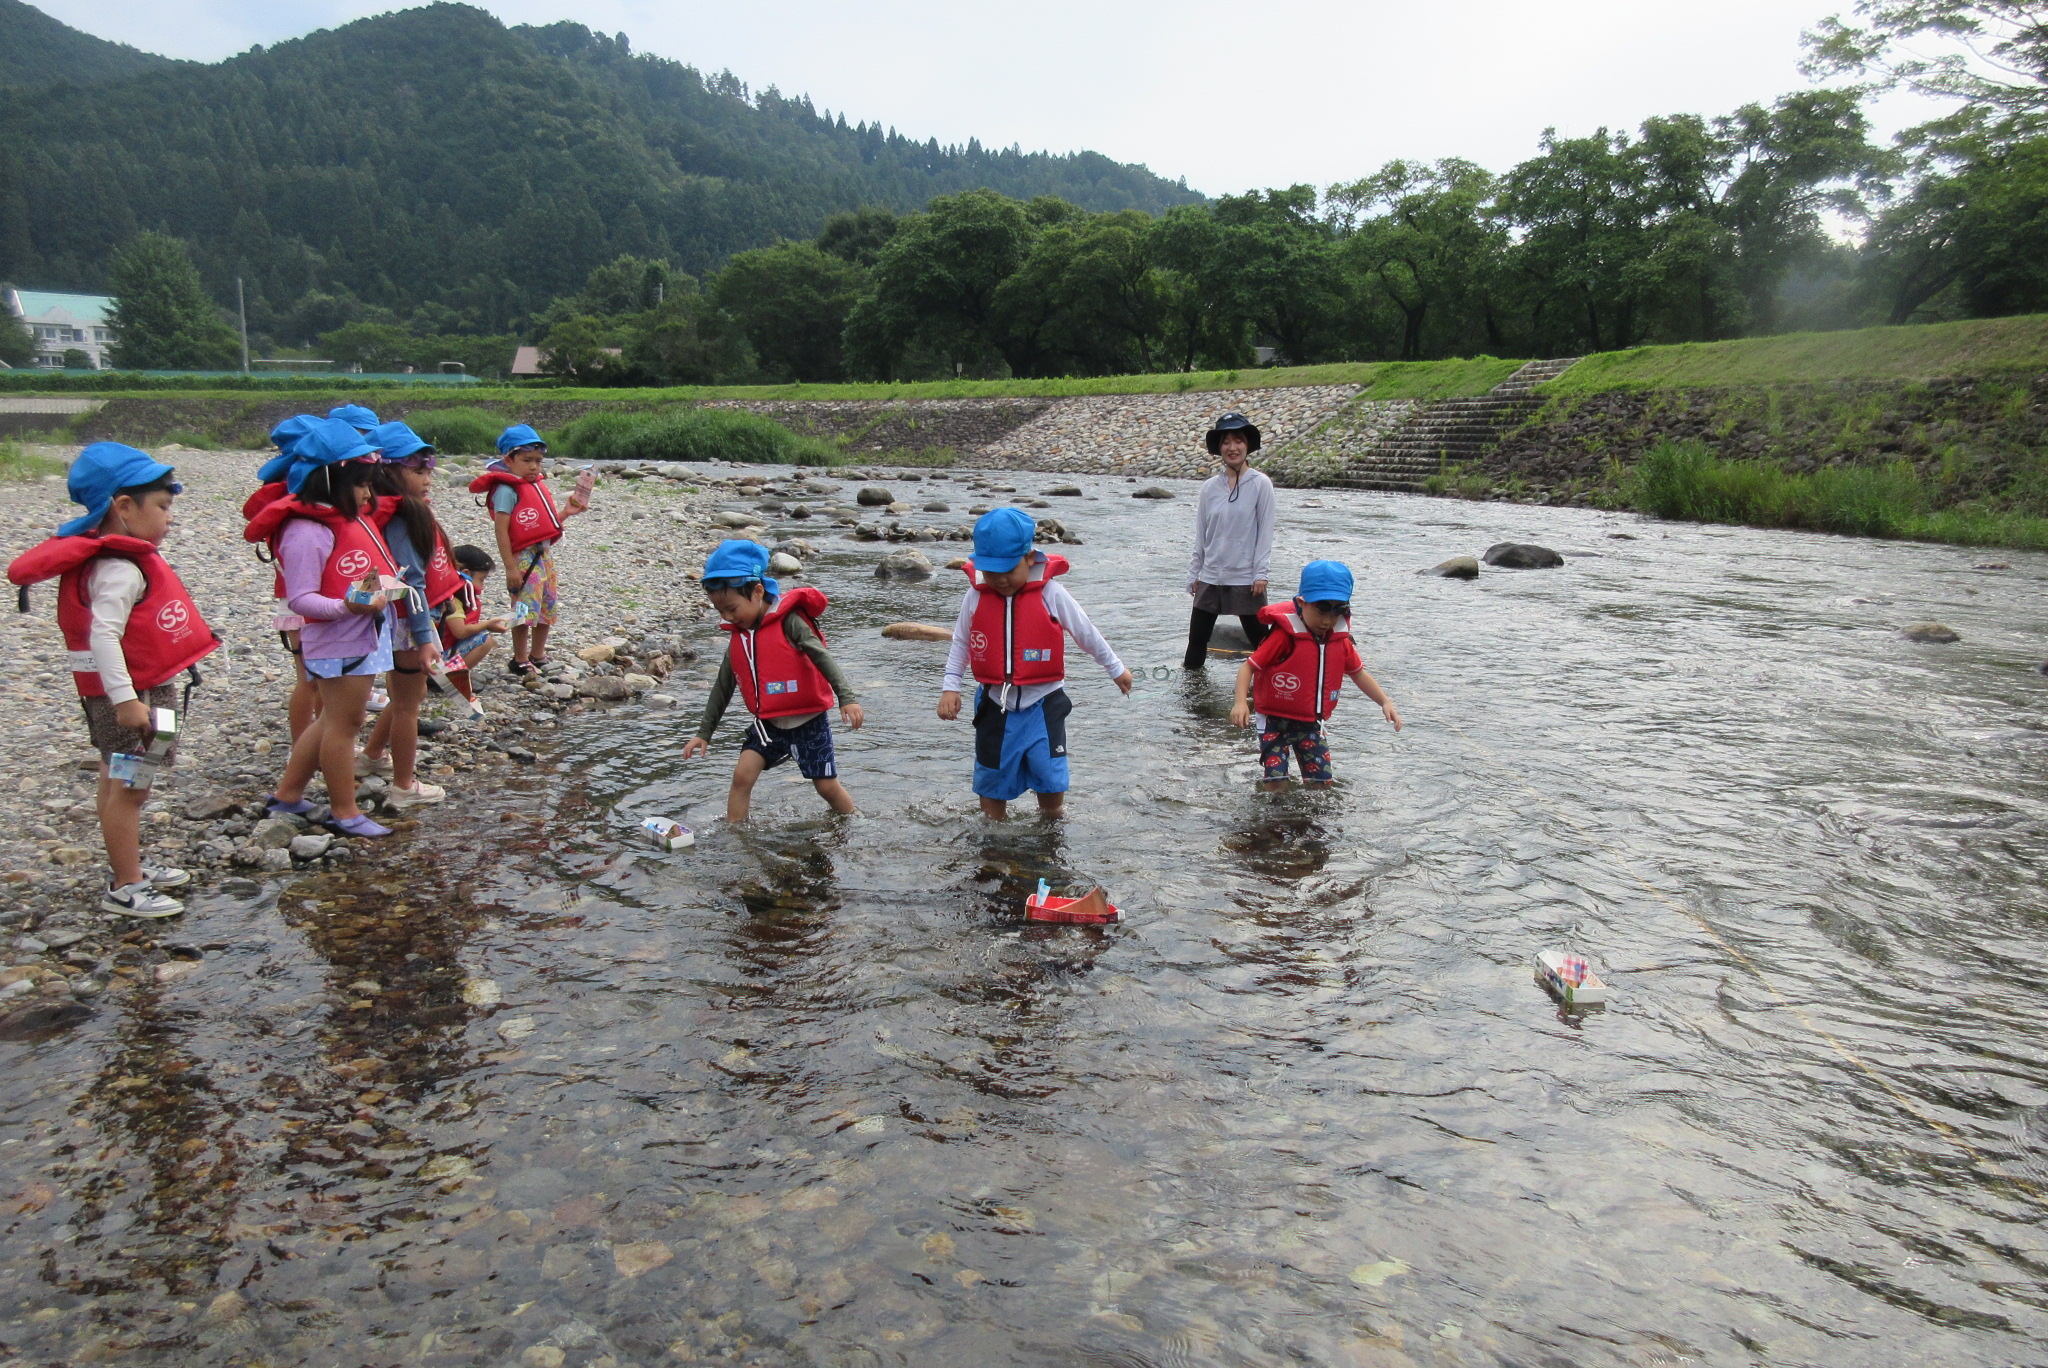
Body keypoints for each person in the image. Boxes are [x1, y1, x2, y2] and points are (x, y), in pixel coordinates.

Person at [7, 443, 219, 917]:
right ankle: (126, 884)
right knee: (130, 786)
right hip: (132, 696)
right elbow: (103, 637)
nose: (169, 519)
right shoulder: (119, 569)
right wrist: (126, 702)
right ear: (123, 507)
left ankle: (132, 867)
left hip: (147, 689)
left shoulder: (117, 561)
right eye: (162, 508)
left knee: (119, 778)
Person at [255, 418, 401, 838]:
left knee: (329, 722)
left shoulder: (341, 521)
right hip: (337, 639)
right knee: (344, 724)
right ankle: (344, 809)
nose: (368, 494)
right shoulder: (306, 531)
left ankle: (288, 795)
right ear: (330, 482)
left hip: (360, 634)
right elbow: (301, 599)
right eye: (360, 485)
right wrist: (347, 606)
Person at [938, 508, 1132, 820]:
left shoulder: (1051, 592)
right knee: (991, 778)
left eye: (1008, 570)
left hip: (1044, 703)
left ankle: (1051, 826)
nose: (1000, 580)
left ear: (1029, 558)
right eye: (991, 571)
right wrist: (950, 687)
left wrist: (1115, 668)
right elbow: (961, 641)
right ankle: (993, 836)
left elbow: (1084, 631)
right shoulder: (975, 596)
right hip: (994, 703)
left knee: (1050, 775)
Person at [681, 539, 863, 822]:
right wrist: (704, 733)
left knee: (826, 787)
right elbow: (723, 686)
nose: (728, 618)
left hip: (808, 723)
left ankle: (853, 819)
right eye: (721, 612)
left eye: (732, 609)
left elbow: (822, 657)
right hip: (768, 725)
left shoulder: (790, 622)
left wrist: (846, 697)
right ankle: (736, 836)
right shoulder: (739, 636)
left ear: (757, 591)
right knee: (742, 776)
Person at [1228, 560, 1401, 790]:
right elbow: (1248, 667)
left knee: (1321, 785)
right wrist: (1241, 703)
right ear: (1302, 603)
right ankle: (1272, 821)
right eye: (1322, 608)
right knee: (1276, 783)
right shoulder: (1284, 636)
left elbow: (1359, 674)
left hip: (1311, 724)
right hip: (1273, 722)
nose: (1328, 620)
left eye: (1339, 610)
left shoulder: (1340, 641)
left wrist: (1385, 701)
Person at [356, 422, 450, 806]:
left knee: (400, 696)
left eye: (428, 469)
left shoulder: (373, 511)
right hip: (410, 621)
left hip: (391, 619)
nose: (428, 478)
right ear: (388, 471)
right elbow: (411, 582)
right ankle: (403, 786)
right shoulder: (403, 515)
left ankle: (372, 756)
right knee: (410, 704)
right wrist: (426, 636)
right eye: (418, 470)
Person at [469, 425, 587, 674]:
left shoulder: (534, 485)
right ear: (508, 460)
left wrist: (566, 512)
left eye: (538, 461)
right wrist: (510, 568)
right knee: (523, 609)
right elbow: (502, 531)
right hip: (522, 558)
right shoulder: (506, 490)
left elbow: (543, 525)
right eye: (526, 461)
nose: (534, 467)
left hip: (544, 555)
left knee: (547, 606)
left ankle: (538, 654)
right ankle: (519, 658)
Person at [247, 415, 324, 741]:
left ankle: (318, 741)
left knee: (314, 679)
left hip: (292, 599)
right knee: (311, 680)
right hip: (304, 601)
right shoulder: (295, 501)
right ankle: (305, 747)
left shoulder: (277, 495)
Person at [1184, 411, 1276, 669]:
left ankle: (1272, 692)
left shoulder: (1260, 485)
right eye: (1226, 441)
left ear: (1247, 445)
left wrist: (1261, 573)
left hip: (1246, 578)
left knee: (1263, 643)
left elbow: (1265, 533)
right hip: (1210, 575)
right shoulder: (1210, 488)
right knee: (1196, 643)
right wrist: (1194, 573)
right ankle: (1192, 703)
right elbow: (1201, 533)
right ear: (1219, 448)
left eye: (1238, 440)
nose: (1232, 447)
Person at [431, 545, 507, 718]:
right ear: (465, 572)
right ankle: (448, 679)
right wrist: (487, 625)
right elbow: (460, 631)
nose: (483, 586)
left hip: (434, 652)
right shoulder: (454, 598)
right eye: (482, 579)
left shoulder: (452, 592)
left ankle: (447, 675)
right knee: (486, 640)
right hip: (434, 657)